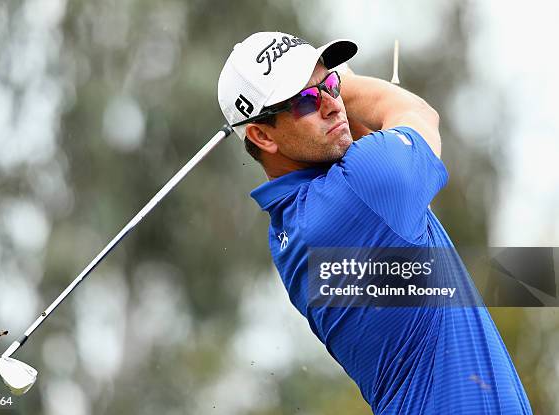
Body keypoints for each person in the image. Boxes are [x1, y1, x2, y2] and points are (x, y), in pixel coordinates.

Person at [217, 31, 532, 414]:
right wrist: (347, 85)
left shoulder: (293, 226)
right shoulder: (361, 191)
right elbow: (416, 114)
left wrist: (321, 96)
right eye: (305, 101)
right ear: (262, 135)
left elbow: (360, 144)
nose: (332, 106)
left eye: (330, 85)